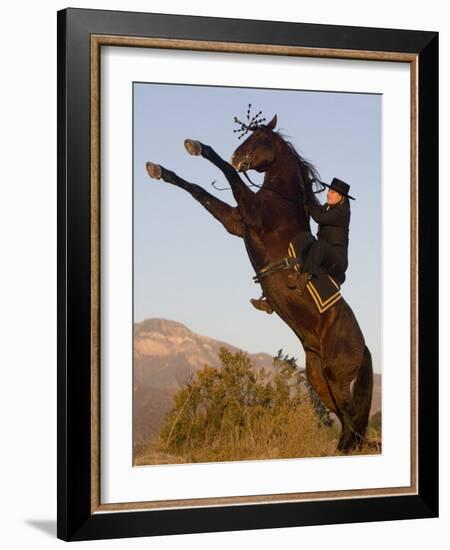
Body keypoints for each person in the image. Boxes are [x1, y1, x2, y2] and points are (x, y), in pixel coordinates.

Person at [250, 177, 354, 314]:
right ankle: (270, 301)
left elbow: (319, 217)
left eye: (334, 192)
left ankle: (303, 278)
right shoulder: (327, 208)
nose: (329, 194)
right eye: (330, 190)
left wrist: (308, 195)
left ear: (342, 198)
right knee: (295, 257)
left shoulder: (343, 212)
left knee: (319, 245)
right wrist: (305, 191)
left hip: (337, 262)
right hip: (322, 255)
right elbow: (314, 209)